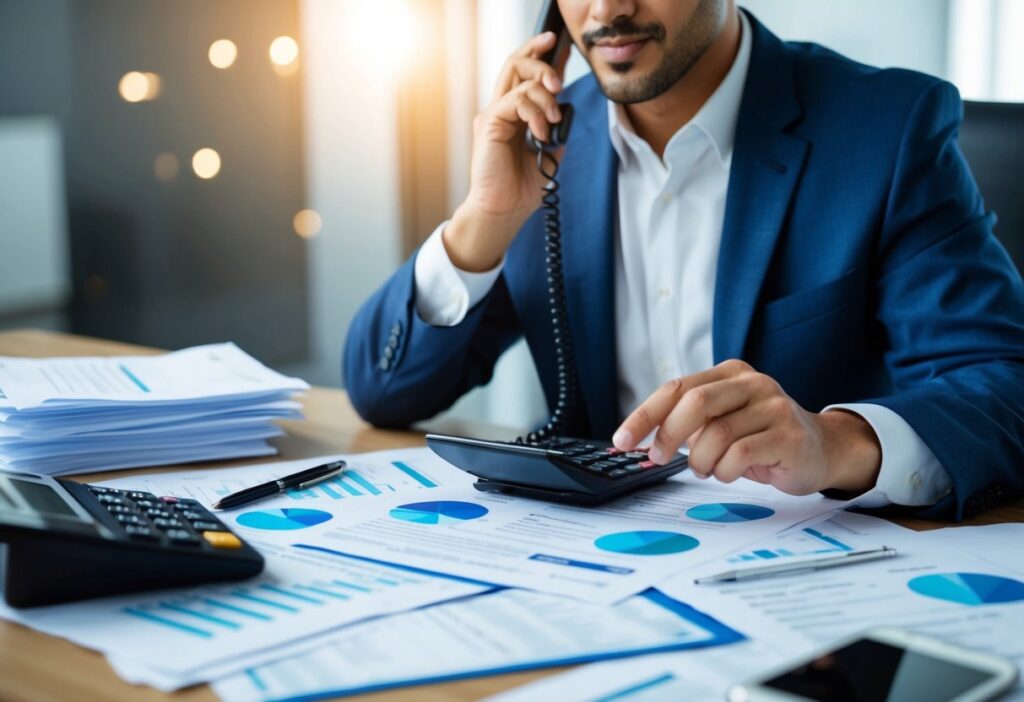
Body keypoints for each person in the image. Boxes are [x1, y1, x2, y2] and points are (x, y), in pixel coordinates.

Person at [344, 1, 1024, 520]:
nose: (607, 11)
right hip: (591, 567)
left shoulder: (887, 126)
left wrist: (835, 443)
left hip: (811, 568)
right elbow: (383, 392)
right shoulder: (540, 143)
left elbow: (1004, 385)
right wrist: (485, 220)